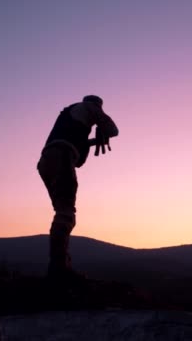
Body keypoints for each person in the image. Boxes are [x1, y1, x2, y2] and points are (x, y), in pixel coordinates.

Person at [37, 95, 119, 282]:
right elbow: (113, 130)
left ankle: (58, 266)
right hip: (61, 156)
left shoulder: (71, 119)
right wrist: (101, 130)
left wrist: (92, 140)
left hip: (46, 161)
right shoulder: (88, 107)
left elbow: (80, 161)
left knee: (62, 212)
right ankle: (59, 269)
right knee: (66, 214)